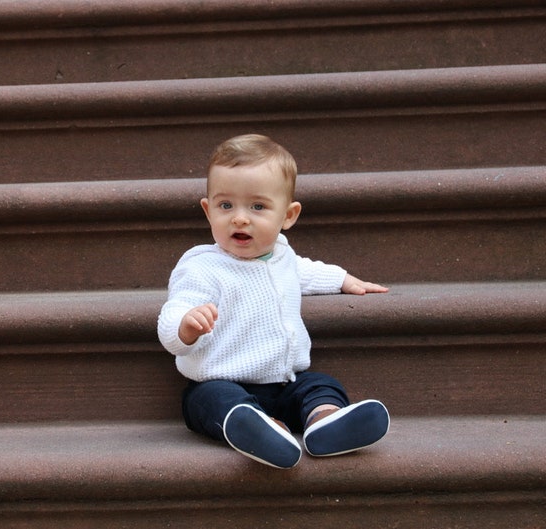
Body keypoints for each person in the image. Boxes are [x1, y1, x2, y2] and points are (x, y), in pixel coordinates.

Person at [157, 134, 391, 469]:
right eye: (226, 206)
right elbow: (174, 312)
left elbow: (305, 272)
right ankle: (264, 431)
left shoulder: (281, 255)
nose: (240, 218)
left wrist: (344, 280)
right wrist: (185, 326)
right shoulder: (201, 266)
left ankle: (325, 421)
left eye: (257, 207)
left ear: (288, 216)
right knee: (209, 400)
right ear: (208, 211)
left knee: (321, 384)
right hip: (222, 381)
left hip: (285, 383)